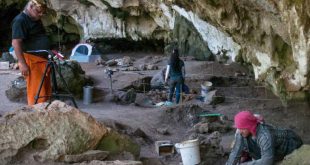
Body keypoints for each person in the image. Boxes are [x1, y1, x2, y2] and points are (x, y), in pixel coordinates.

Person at [226, 111, 303, 165]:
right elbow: (235, 152)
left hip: (288, 142)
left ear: (249, 126)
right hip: (267, 144)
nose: (240, 131)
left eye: (242, 128)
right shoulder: (240, 131)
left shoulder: (264, 136)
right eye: (238, 128)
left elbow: (267, 161)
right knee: (240, 147)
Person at [12, 0, 51, 105]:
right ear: (30, 7)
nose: (41, 14)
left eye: (42, 12)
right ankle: (36, 114)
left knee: (45, 91)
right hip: (32, 61)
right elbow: (16, 42)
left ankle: (46, 114)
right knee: (37, 91)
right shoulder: (20, 21)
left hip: (42, 60)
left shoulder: (35, 18)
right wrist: (22, 63)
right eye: (38, 11)